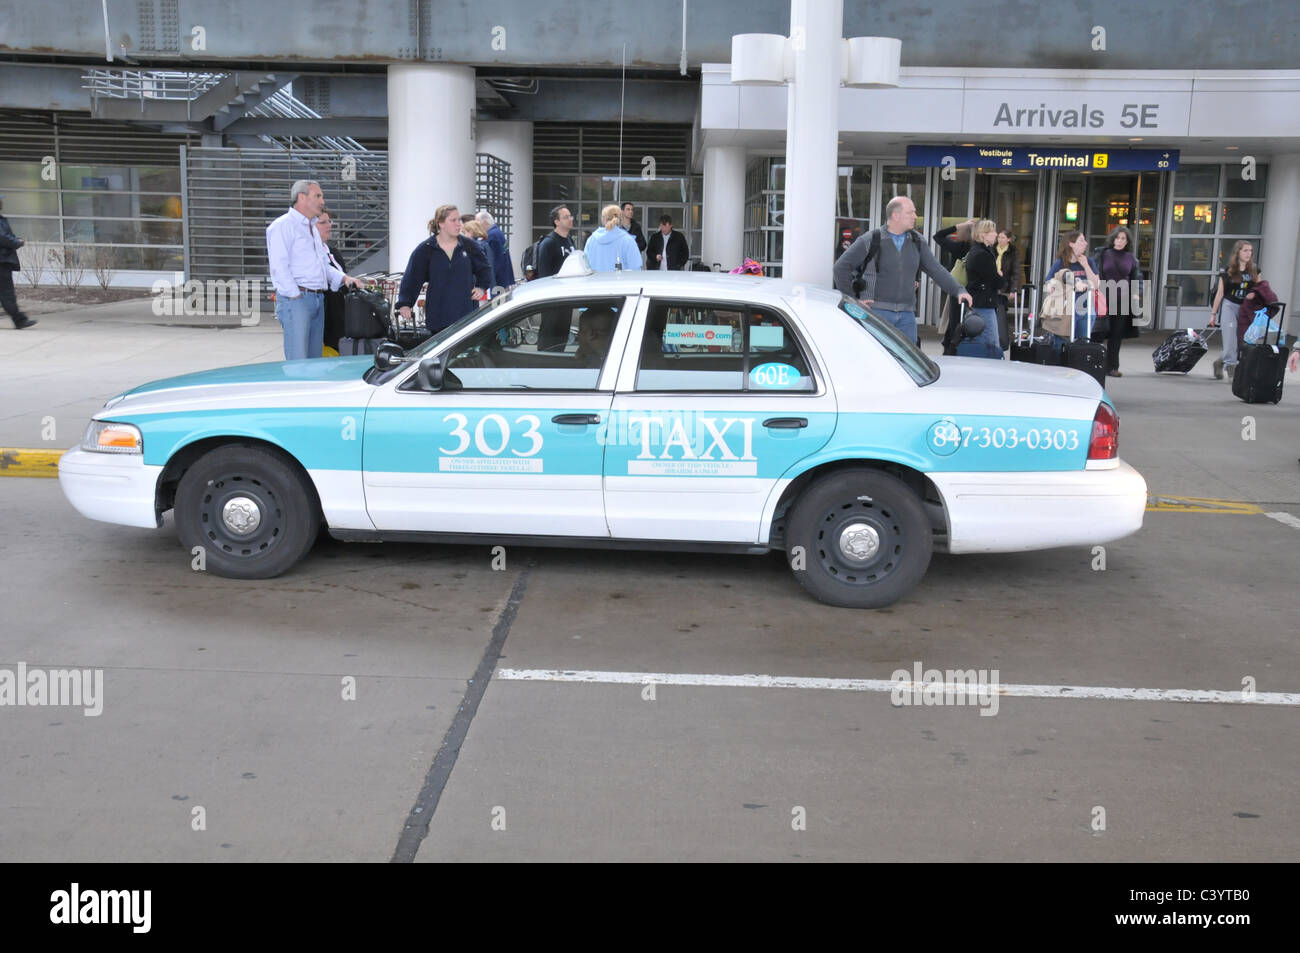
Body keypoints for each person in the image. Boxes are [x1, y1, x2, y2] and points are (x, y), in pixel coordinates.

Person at [833, 196, 971, 345]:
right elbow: (841, 268)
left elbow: (936, 269)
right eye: (910, 212)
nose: (915, 216)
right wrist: (853, 300)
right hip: (876, 312)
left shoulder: (917, 241)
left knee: (907, 364)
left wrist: (958, 290)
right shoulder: (871, 239)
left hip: (907, 316)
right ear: (895, 215)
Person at [266, 179, 362, 360]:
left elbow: (323, 266)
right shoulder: (282, 226)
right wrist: (296, 297)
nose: (322, 201)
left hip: (317, 299)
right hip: (298, 300)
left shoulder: (311, 228)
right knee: (299, 362)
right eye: (317, 196)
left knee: (314, 361)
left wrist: (344, 279)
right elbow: (279, 268)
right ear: (302, 197)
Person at [396, 204, 493, 336]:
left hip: (465, 314)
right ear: (441, 223)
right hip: (438, 316)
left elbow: (485, 269)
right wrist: (405, 304)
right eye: (453, 220)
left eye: (459, 220)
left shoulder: (469, 246)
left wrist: (481, 287)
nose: (458, 224)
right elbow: (412, 277)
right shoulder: (426, 249)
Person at [1209, 240, 1261, 383]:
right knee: (1230, 338)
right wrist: (1213, 314)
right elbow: (1220, 293)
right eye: (1245, 250)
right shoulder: (1228, 271)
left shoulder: (1254, 270)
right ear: (1237, 252)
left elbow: (1259, 289)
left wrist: (1255, 295)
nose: (1248, 254)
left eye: (1250, 251)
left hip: (1246, 308)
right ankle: (1232, 370)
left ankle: (1220, 362)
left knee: (1241, 342)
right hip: (1229, 305)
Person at [1042, 230, 1100, 355]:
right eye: (1081, 240)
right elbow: (1048, 283)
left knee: (1082, 344)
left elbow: (1095, 284)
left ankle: (1078, 368)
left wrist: (1086, 266)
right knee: (1061, 344)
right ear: (1071, 244)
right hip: (1065, 310)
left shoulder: (1089, 262)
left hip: (1085, 308)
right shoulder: (1060, 263)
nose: (1085, 243)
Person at [1095, 226, 1142, 377]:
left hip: (1123, 299)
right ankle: (1095, 364)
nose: (1120, 241)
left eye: (1123, 238)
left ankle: (1112, 367)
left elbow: (1137, 277)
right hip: (1104, 297)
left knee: (1116, 334)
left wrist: (1136, 294)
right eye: (1118, 238)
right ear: (1113, 238)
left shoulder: (1131, 258)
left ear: (1127, 241)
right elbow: (1094, 272)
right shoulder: (1103, 254)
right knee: (1099, 332)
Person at [535, 205, 577, 351]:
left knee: (561, 337)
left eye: (570, 216)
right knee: (550, 337)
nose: (570, 219)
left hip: (567, 297)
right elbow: (544, 275)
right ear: (556, 221)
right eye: (566, 217)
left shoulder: (570, 241)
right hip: (553, 300)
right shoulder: (549, 243)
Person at [961, 219, 1003, 357]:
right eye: (993, 231)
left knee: (983, 340)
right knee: (991, 342)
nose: (996, 234)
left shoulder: (979, 251)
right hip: (983, 303)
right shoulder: (982, 255)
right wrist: (1000, 276)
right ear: (984, 234)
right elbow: (997, 281)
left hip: (980, 301)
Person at [933, 218, 975, 354]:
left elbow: (938, 236)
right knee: (969, 322)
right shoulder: (978, 248)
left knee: (955, 321)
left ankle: (950, 348)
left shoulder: (959, 247)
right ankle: (956, 348)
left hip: (957, 290)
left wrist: (959, 225)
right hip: (973, 291)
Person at [0, 195, 36, 329]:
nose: (1, 202)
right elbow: (2, 237)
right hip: (2, 262)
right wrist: (17, 242)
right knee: (6, 293)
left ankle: (19, 319)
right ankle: (19, 320)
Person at [315, 209, 348, 352]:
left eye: (329, 221)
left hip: (339, 314)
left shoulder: (332, 252)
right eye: (323, 222)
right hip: (326, 316)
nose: (329, 225)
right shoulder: (309, 253)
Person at [584, 204, 643, 272]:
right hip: (619, 282)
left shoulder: (591, 240)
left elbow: (585, 266)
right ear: (620, 219)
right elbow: (636, 269)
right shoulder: (628, 240)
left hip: (595, 281)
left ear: (603, 219)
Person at [994, 228, 1022, 353]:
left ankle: (1001, 339)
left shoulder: (1013, 252)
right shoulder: (992, 248)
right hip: (992, 283)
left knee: (1000, 312)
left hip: (1004, 284)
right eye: (999, 237)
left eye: (1003, 237)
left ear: (1009, 239)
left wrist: (1013, 289)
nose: (1000, 239)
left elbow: (1016, 272)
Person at [476, 210, 515, 286]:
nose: (476, 226)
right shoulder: (497, 232)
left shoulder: (491, 236)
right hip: (504, 278)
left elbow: (494, 261)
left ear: (485, 222)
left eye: (477, 223)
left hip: (498, 281)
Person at [460, 218, 497, 288]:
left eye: (464, 233)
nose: (464, 236)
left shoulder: (477, 246)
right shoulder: (484, 244)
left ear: (471, 232)